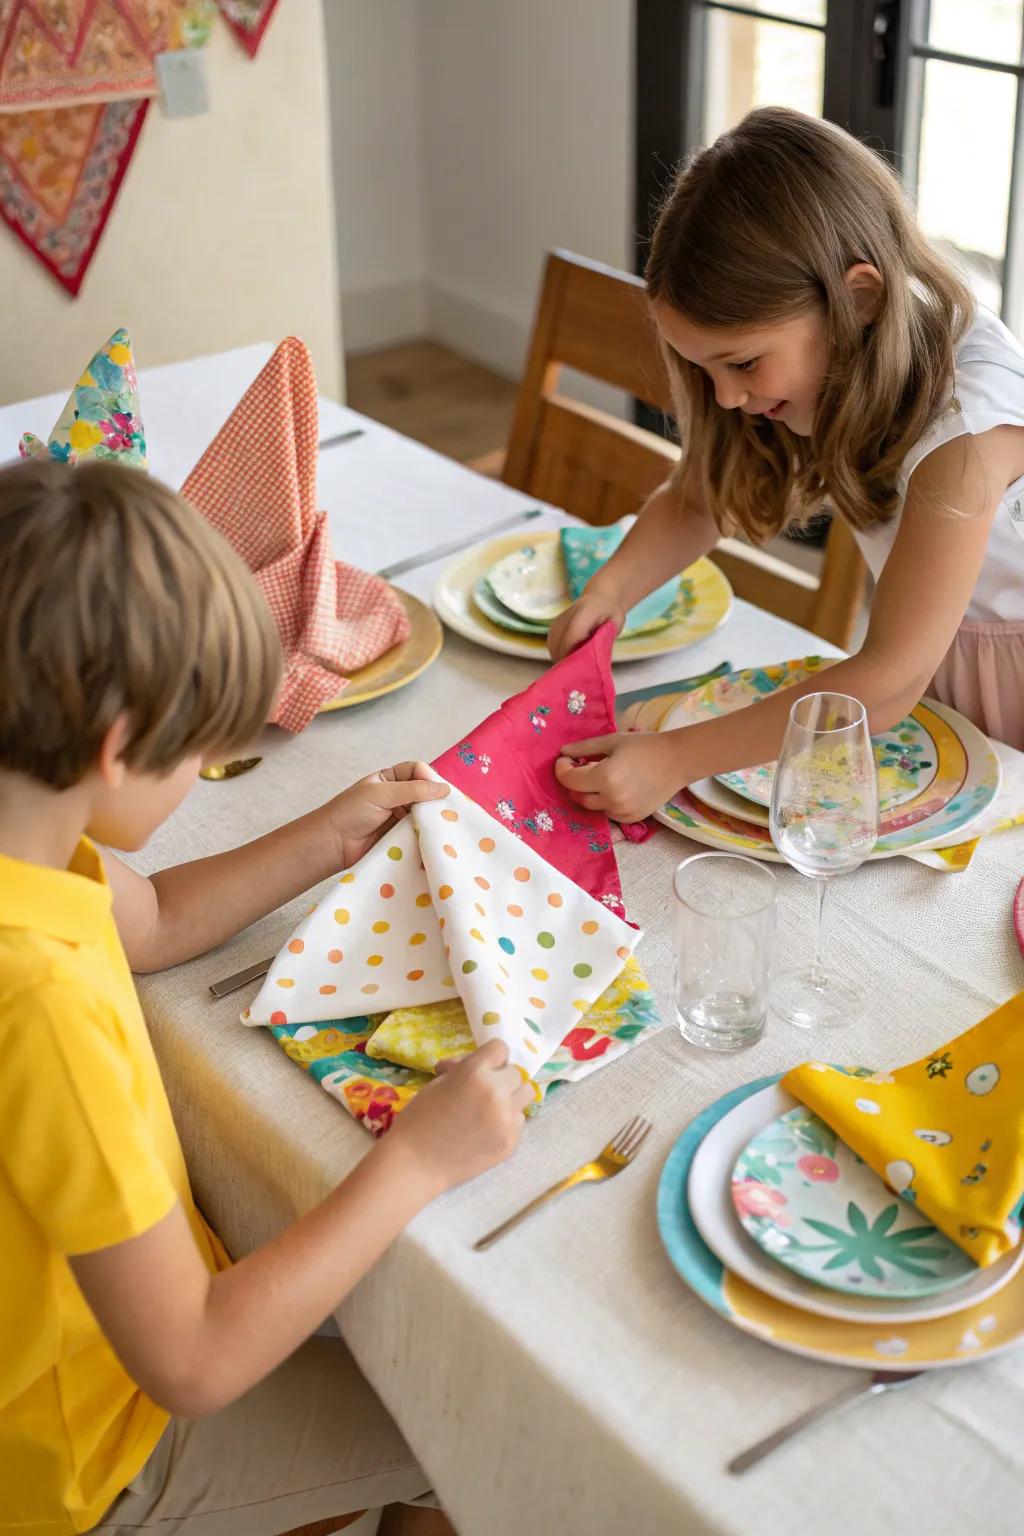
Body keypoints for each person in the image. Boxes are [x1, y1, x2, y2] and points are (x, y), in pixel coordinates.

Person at [0, 455, 531, 1536]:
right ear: (115, 750)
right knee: (470, 1432)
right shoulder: (36, 1001)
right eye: (204, 746)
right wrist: (416, 1160)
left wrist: (323, 839)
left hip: (78, 1364)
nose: (208, 769)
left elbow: (150, 925)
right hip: (93, 1454)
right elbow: (193, 1358)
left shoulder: (35, 847)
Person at [551, 107, 1024, 823]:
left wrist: (676, 758)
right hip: (935, 669)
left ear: (857, 300)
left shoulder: (964, 436)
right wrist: (610, 592)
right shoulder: (833, 357)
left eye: (741, 363)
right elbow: (698, 498)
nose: (727, 397)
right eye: (702, 368)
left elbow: (890, 680)